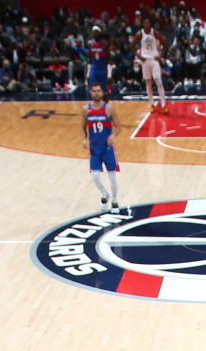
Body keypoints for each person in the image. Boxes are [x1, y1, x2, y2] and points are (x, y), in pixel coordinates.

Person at [81, 83, 122, 213]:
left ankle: (115, 200)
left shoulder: (109, 108)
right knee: (94, 176)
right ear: (90, 92)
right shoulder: (85, 109)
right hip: (94, 148)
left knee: (112, 178)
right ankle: (105, 194)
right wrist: (84, 139)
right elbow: (82, 127)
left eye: (98, 91)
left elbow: (118, 127)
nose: (96, 93)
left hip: (107, 148)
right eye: (94, 91)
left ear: (102, 92)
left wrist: (112, 135)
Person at [138, 22, 167, 111]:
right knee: (148, 83)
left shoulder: (155, 33)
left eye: (148, 23)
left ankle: (163, 105)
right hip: (145, 60)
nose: (147, 24)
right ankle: (152, 104)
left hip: (154, 59)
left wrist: (161, 55)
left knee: (158, 80)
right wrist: (139, 56)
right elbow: (132, 45)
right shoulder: (140, 34)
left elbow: (164, 43)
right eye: (145, 22)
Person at [86, 25, 111, 95]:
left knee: (104, 93)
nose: (95, 34)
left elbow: (109, 60)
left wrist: (109, 75)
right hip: (94, 70)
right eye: (94, 32)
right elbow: (89, 60)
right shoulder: (90, 44)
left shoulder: (105, 44)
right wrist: (88, 75)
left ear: (99, 33)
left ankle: (104, 105)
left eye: (96, 32)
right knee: (93, 92)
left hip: (103, 69)